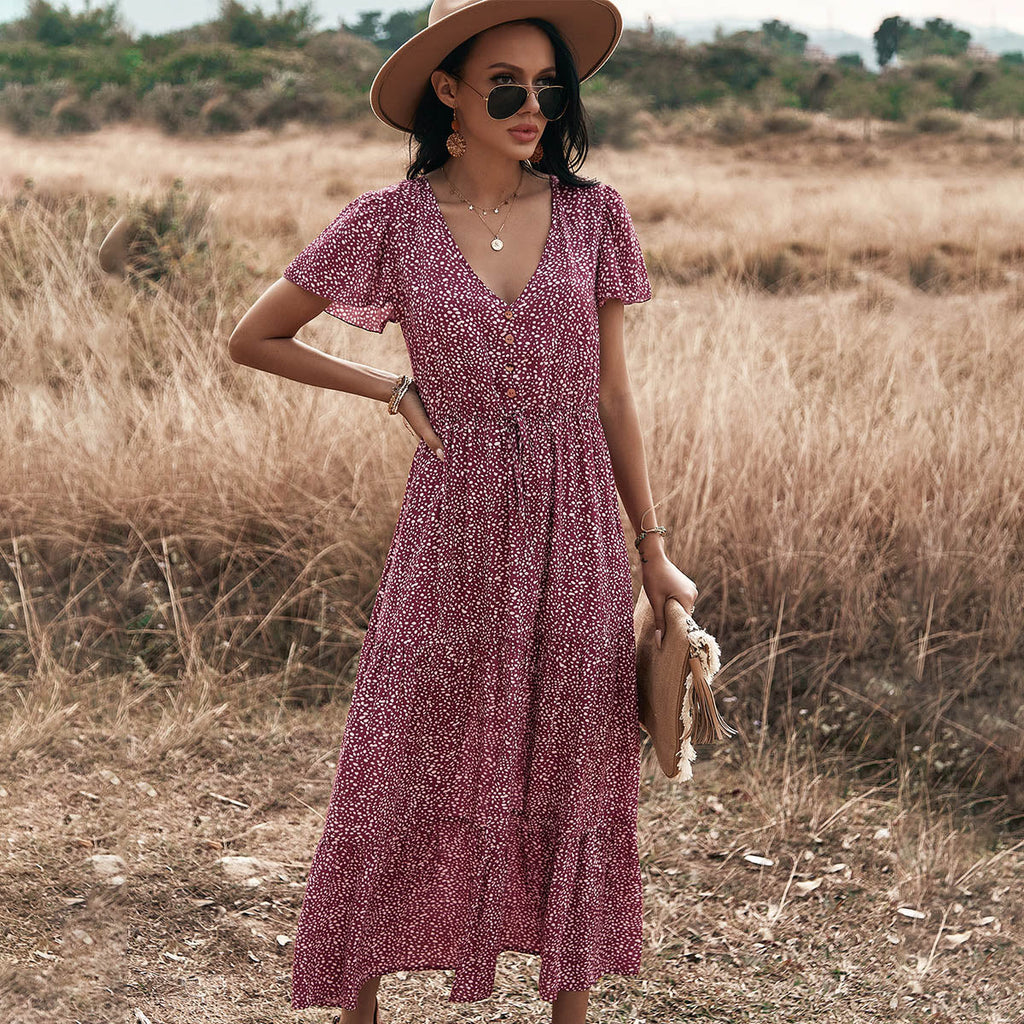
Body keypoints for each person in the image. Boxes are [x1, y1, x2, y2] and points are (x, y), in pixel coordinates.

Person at [227, 1, 698, 1021]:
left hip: (579, 534)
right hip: (451, 528)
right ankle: (360, 1007)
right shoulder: (387, 221)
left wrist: (652, 550)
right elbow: (254, 337)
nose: (532, 106)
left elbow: (613, 393)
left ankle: (565, 1011)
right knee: (400, 753)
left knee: (576, 759)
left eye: (547, 86)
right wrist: (391, 390)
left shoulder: (593, 213)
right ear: (447, 91)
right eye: (504, 85)